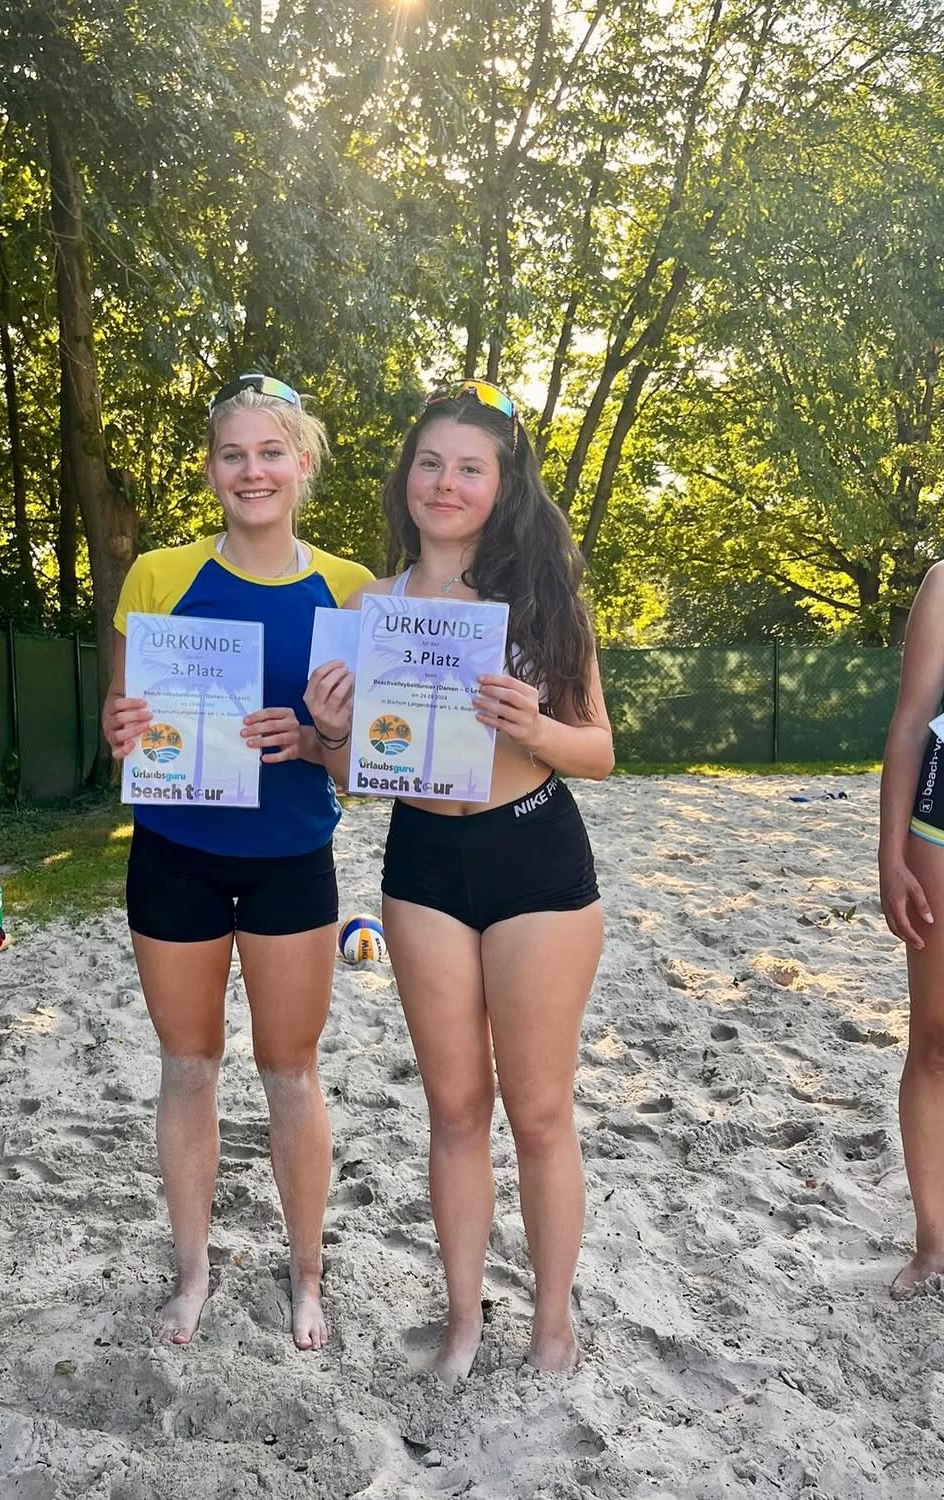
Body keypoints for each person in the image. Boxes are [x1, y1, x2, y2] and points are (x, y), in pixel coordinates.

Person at [307, 380, 614, 1379]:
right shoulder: (372, 606)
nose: (446, 483)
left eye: (469, 468)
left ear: (500, 484)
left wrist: (537, 730)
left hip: (534, 853)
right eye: (430, 463)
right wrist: (335, 732)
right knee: (453, 1112)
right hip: (424, 865)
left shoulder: (544, 596)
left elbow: (601, 749)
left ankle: (553, 1326)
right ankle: (464, 1323)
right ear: (407, 479)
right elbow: (357, 777)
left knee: (538, 1112)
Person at [101, 372, 372, 1350]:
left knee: (291, 1072)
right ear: (212, 467)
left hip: (293, 856)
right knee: (187, 1065)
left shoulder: (353, 589)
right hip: (174, 855)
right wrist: (124, 726)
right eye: (232, 454)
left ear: (303, 464)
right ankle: (191, 1273)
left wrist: (313, 742)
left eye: (270, 452)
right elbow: (120, 722)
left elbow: (368, 759)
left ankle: (307, 1276)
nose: (250, 471)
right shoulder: (159, 577)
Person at [879, 559, 944, 1296]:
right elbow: (909, 724)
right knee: (938, 1040)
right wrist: (890, 853)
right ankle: (935, 1243)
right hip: (942, 835)